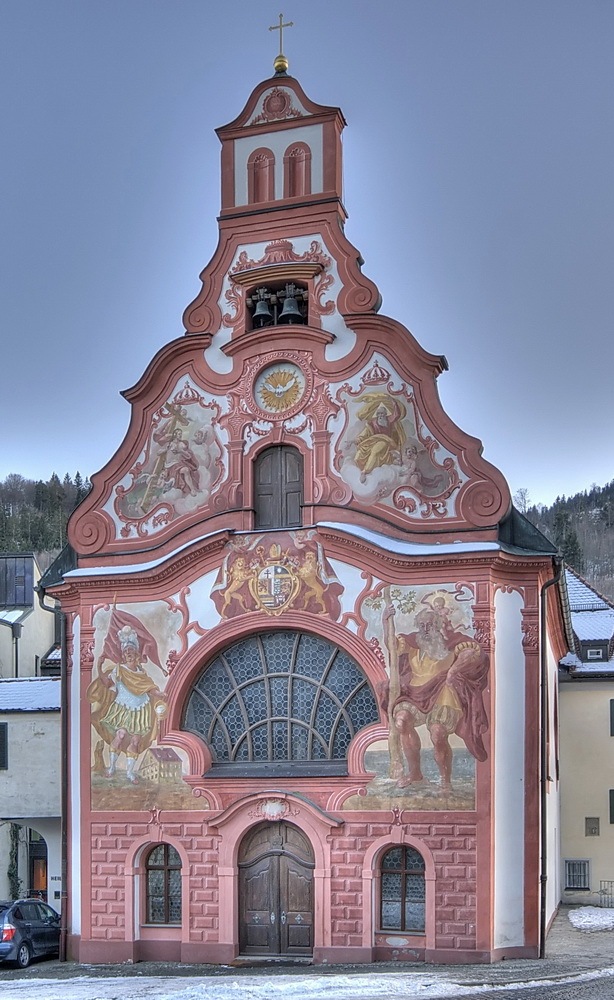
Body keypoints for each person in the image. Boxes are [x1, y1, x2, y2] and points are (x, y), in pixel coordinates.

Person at [384, 606, 489, 791]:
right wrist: (386, 622)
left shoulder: (450, 641)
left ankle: (445, 781)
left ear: (438, 625)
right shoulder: (411, 642)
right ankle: (415, 773)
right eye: (422, 624)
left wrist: (453, 671)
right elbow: (391, 646)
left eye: (430, 625)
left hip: (442, 691)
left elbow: (472, 652)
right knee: (401, 721)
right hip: (415, 691)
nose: (425, 628)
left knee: (438, 732)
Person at [88, 626, 166, 783]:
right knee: (121, 734)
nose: (129, 653)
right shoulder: (119, 670)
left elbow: (149, 688)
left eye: (131, 650)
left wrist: (160, 695)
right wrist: (98, 666)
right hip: (123, 707)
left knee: (136, 741)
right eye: (126, 651)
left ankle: (130, 772)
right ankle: (112, 767)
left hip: (141, 709)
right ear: (123, 655)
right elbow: (107, 682)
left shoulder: (142, 673)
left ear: (136, 653)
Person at [353, 395, 406, 482]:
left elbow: (397, 414)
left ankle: (365, 472)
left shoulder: (389, 420)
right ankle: (360, 470)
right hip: (373, 441)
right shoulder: (373, 423)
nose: (381, 415)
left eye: (382, 413)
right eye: (379, 414)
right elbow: (365, 433)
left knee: (375, 451)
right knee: (359, 454)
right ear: (377, 415)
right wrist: (355, 440)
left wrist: (393, 402)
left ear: (386, 414)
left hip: (386, 442)